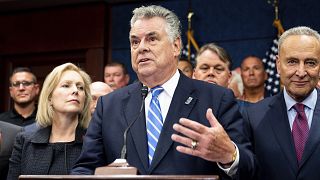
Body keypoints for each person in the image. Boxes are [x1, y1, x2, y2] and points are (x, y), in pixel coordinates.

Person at [71, 5, 254, 179]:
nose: (141, 47)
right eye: (135, 41)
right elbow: (85, 168)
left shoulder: (216, 98)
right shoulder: (109, 105)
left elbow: (249, 167)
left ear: (176, 46)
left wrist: (229, 155)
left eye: (152, 39)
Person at [244, 26, 320, 179]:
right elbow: (246, 171)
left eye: (310, 63)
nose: (300, 72)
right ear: (278, 64)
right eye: (292, 62)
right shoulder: (253, 116)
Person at [7, 63, 92, 179]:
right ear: (49, 97)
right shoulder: (24, 140)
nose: (75, 91)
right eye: (66, 85)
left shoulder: (94, 142)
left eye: (80, 87)